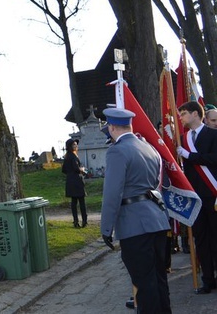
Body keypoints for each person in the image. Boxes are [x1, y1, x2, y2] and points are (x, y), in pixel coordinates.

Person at [100, 107, 171, 313]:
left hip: (134, 225)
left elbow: (112, 193)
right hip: (156, 219)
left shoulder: (117, 151)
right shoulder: (150, 148)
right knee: (159, 279)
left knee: (144, 284)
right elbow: (156, 183)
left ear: (111, 127)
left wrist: (106, 228)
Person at [176, 101, 217, 294]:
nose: (181, 117)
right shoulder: (182, 139)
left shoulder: (213, 134)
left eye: (183, 113)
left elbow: (213, 159)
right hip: (195, 197)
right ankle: (207, 280)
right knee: (201, 239)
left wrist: (189, 156)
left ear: (194, 114)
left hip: (213, 194)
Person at [62, 138, 88, 228]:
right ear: (70, 146)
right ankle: (84, 220)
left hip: (70, 181)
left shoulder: (66, 156)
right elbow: (77, 168)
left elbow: (63, 170)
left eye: (76, 144)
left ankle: (75, 221)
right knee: (81, 202)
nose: (76, 146)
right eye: (74, 144)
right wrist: (82, 170)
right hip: (77, 180)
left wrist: (70, 174)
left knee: (73, 202)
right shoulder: (73, 156)